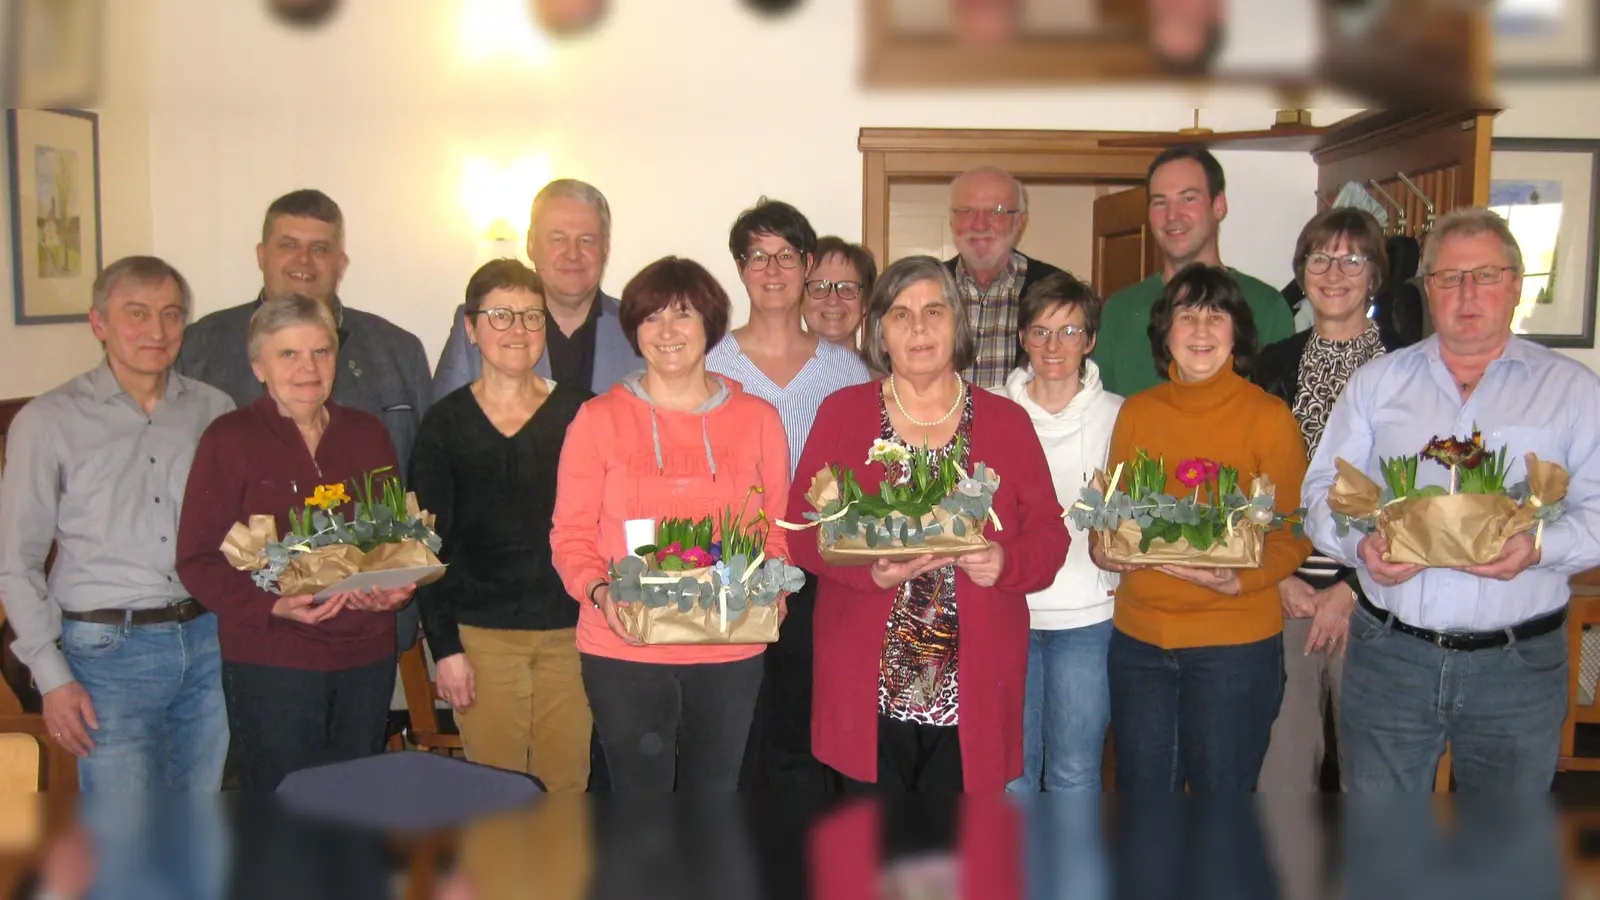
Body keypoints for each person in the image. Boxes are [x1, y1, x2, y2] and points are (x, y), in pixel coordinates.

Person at [1303, 208, 1600, 791]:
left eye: (1486, 275)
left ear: (1516, 285)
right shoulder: (1378, 384)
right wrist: (1361, 545)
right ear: (1428, 288)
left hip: (1518, 666)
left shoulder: (1573, 391)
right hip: (1391, 657)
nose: (1467, 293)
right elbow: (1320, 493)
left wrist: (1536, 547)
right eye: (1449, 277)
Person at [789, 256, 1070, 791]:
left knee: (952, 855)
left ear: (957, 324)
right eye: (900, 314)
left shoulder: (1006, 422)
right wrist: (867, 575)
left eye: (934, 311)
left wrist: (1005, 564)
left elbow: (1049, 535)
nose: (918, 328)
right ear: (880, 332)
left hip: (973, 682)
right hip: (866, 677)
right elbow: (803, 531)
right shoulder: (843, 414)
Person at [550, 256, 792, 792]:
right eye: (652, 317)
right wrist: (598, 591)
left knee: (713, 801)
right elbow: (569, 536)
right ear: (635, 329)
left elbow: (776, 530)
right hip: (625, 645)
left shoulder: (759, 420)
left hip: (730, 644)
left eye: (682, 315)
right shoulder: (597, 421)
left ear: (709, 324)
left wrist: (774, 582)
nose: (667, 332)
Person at [0, 257, 234, 789]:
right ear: (98, 323)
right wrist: (51, 676)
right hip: (107, 657)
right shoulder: (48, 422)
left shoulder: (214, 411)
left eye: (172, 315)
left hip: (206, 644)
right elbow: (15, 562)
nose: (157, 331)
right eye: (137, 313)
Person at [176, 295, 417, 791]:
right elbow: (197, 560)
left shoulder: (368, 434)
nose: (308, 368)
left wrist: (398, 589)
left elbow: (395, 541)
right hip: (273, 660)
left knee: (356, 804)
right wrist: (272, 607)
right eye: (289, 354)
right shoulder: (229, 439)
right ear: (258, 366)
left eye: (321, 352)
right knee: (285, 810)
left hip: (365, 656)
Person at [174, 189, 430, 652]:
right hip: (248, 627)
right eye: (288, 244)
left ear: (341, 261)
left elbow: (421, 483)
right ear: (261, 255)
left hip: (366, 623)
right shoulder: (201, 347)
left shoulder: (397, 350)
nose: (304, 260)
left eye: (321, 247)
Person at [1092, 264, 1311, 792]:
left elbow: (1293, 532)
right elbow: (1112, 515)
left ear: (1238, 332)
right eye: (1187, 315)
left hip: (1233, 647)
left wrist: (1239, 581)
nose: (1202, 330)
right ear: (1165, 332)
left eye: (1218, 316)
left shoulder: (1268, 416)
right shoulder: (1138, 413)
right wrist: (1103, 548)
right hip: (1140, 645)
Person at [408, 260, 594, 791]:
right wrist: (445, 650)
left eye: (532, 317)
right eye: (500, 315)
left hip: (571, 635)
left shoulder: (583, 413)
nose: (519, 330)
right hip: (482, 640)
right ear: (470, 327)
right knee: (494, 797)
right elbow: (423, 548)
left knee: (566, 790)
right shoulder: (443, 425)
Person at [708, 199, 871, 791]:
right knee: (740, 727)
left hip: (821, 573)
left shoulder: (848, 371)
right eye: (757, 256)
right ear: (740, 266)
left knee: (806, 725)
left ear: (806, 265)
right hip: (734, 570)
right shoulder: (710, 366)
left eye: (785, 256)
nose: (772, 270)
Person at [1253, 208, 1401, 792]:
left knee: (1375, 768)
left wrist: (1350, 590)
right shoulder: (1273, 363)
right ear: (1302, 270)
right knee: (1283, 763)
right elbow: (1249, 482)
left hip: (1376, 590)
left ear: (1375, 276)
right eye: (1320, 258)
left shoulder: (1406, 366)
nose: (1334, 272)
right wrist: (1278, 577)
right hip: (1285, 588)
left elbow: (1419, 492)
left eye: (1352, 259)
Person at [994, 272, 1123, 793]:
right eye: (1041, 331)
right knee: (1012, 775)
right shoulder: (990, 413)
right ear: (1022, 336)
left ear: (1090, 340)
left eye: (1070, 332)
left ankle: (1072, 876)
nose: (1054, 345)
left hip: (1088, 621)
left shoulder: (1120, 415)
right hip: (1007, 611)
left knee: (1075, 772)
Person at [1094, 145, 1296, 397]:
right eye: (1160, 202)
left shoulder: (1267, 307)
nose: (1172, 215)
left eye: (1188, 198)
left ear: (1219, 205)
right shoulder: (1119, 311)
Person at [432, 179, 639, 400]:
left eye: (586, 240)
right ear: (531, 243)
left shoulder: (640, 328)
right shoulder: (482, 322)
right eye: (558, 239)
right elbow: (442, 426)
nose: (572, 254)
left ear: (605, 248)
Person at [942, 167, 1068, 390]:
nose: (980, 224)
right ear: (951, 220)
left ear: (1019, 222)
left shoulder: (1058, 290)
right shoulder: (925, 288)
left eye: (996, 211)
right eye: (967, 211)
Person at [803, 236, 877, 352]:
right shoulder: (772, 369)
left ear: (865, 303)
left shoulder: (885, 370)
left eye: (846, 289)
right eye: (820, 287)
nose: (833, 300)